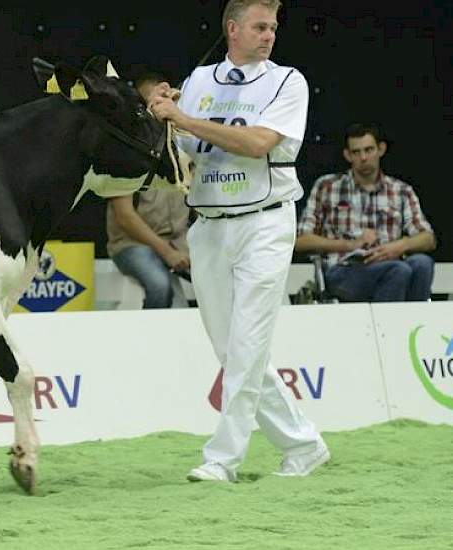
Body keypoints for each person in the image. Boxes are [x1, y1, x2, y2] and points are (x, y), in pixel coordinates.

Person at [149, 0, 328, 482]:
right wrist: (161, 112)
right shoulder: (200, 80)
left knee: (247, 346)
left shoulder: (288, 81)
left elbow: (257, 143)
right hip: (207, 226)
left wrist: (182, 118)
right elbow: (179, 150)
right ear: (232, 29)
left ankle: (221, 459)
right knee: (233, 352)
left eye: (273, 27)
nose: (269, 35)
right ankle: (303, 444)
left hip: (266, 223)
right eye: (259, 26)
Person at [295, 123, 436, 301]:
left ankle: (415, 324)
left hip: (391, 262)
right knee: (398, 270)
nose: (363, 157)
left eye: (369, 150)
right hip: (344, 269)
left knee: (422, 264)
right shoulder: (327, 186)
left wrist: (397, 247)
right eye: (356, 152)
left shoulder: (401, 190)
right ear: (347, 155)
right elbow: (301, 241)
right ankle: (390, 327)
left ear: (381, 149)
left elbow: (428, 238)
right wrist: (352, 245)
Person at [106, 70, 192, 309]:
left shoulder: (183, 143)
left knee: (220, 276)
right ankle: (151, 344)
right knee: (159, 285)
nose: (156, 108)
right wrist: (167, 253)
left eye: (163, 100)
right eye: (149, 102)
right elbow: (124, 216)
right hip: (133, 245)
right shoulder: (126, 151)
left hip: (179, 241)